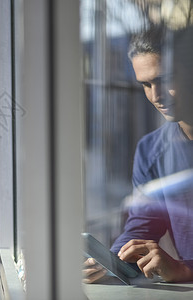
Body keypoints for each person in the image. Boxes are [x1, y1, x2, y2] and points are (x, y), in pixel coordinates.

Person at [84, 25, 193, 283]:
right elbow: (143, 224)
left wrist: (184, 270)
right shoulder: (151, 149)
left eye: (165, 80)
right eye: (145, 84)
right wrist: (109, 261)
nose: (156, 96)